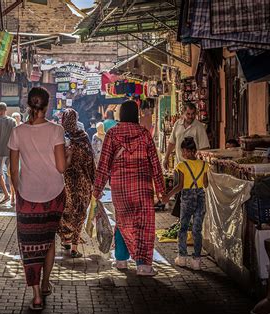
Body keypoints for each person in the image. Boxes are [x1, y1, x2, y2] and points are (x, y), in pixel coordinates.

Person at [8, 87, 70, 311]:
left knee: (29, 245)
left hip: (28, 197)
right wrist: (69, 156)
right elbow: (62, 167)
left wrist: (18, 193)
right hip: (54, 194)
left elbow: (13, 170)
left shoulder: (17, 132)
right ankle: (45, 283)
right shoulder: (57, 130)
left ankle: (36, 295)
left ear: (28, 105)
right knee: (48, 239)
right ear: (47, 105)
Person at [93, 100, 165, 276]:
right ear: (136, 114)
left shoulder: (112, 134)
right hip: (143, 187)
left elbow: (103, 164)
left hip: (120, 188)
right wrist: (161, 188)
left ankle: (121, 260)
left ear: (121, 115)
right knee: (144, 225)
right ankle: (143, 265)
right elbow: (155, 163)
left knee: (122, 222)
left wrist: (97, 189)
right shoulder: (144, 134)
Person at [162, 137, 209, 271]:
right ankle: (196, 260)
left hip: (187, 197)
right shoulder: (204, 165)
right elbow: (206, 184)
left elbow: (180, 185)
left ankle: (182, 258)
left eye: (184, 151)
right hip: (201, 197)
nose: (183, 154)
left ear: (188, 151)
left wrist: (167, 196)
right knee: (197, 230)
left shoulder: (181, 165)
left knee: (183, 228)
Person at [59, 108, 96, 258]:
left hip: (66, 182)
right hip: (83, 182)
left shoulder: (60, 138)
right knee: (80, 213)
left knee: (66, 212)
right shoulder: (83, 137)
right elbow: (90, 160)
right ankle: (74, 246)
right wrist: (94, 181)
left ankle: (66, 240)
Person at [163, 103, 209, 217]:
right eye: (188, 114)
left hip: (194, 169)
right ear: (183, 113)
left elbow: (204, 148)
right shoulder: (177, 124)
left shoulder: (199, 127)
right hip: (179, 166)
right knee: (179, 194)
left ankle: (187, 221)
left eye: (193, 114)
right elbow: (171, 142)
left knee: (188, 196)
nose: (190, 116)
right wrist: (166, 157)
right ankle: (182, 221)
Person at [0, 102, 17, 205]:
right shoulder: (13, 121)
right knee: (12, 174)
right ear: (6, 110)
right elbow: (15, 136)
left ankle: (6, 194)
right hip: (11, 150)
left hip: (0, 151)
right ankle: (13, 198)